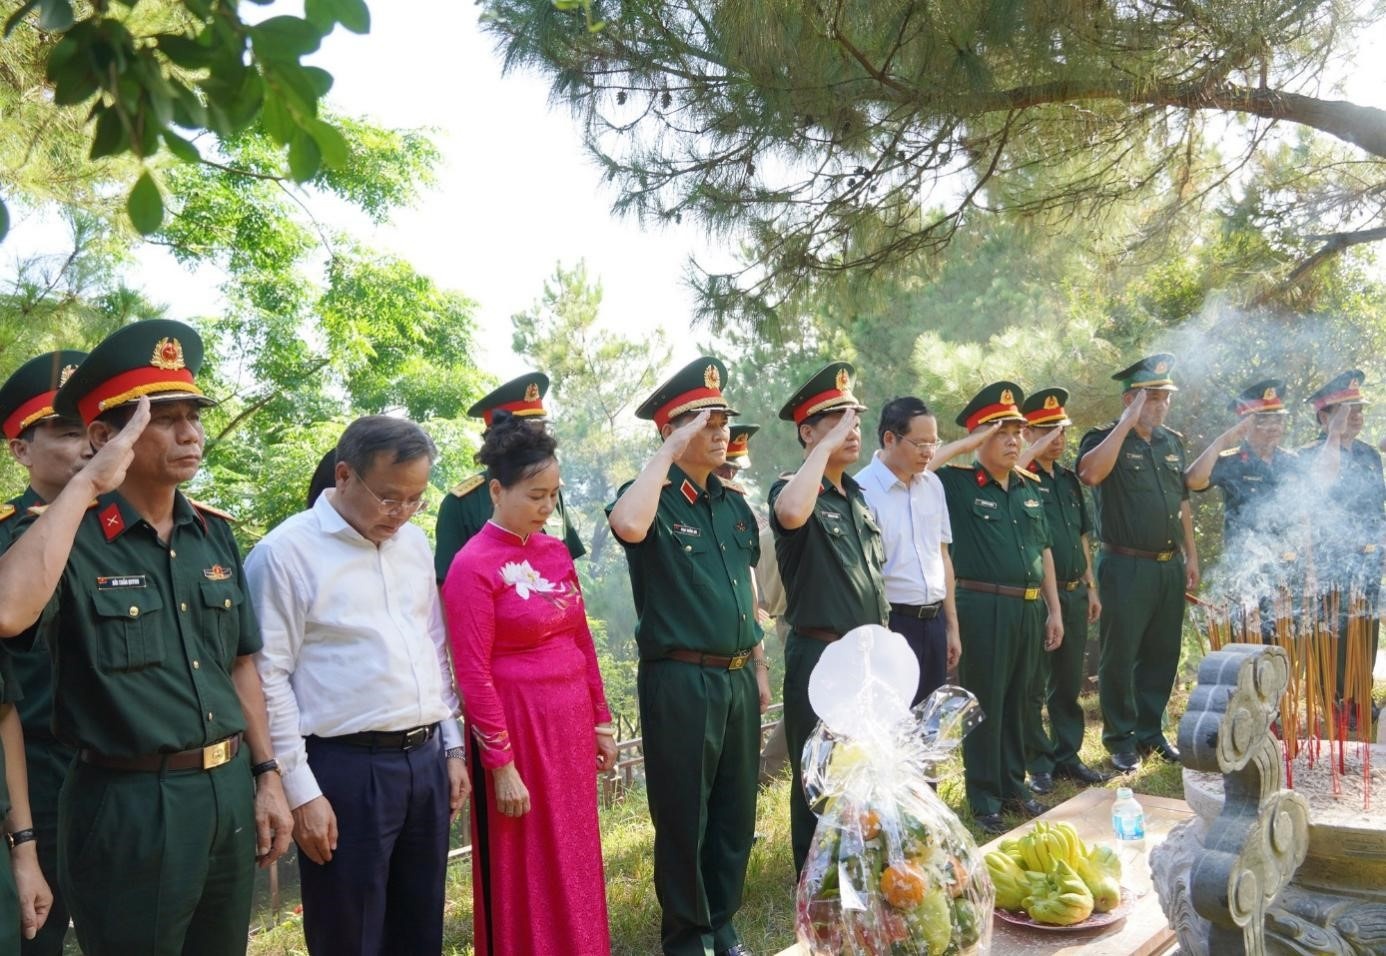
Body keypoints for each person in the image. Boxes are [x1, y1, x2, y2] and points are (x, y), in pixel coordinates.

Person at [0, 319, 294, 956]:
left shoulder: (211, 533)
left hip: (226, 790)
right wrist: (85, 486)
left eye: (194, 415)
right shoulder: (61, 537)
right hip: (127, 802)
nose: (191, 433)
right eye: (164, 418)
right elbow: (7, 612)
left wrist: (268, 774)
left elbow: (241, 664)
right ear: (105, 436)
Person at [246, 415, 469, 955]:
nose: (402, 513)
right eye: (389, 497)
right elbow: (266, 676)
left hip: (424, 760)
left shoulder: (413, 544)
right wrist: (301, 792)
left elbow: (430, 648)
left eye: (415, 498)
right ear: (344, 475)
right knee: (352, 934)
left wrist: (452, 747)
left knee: (420, 929)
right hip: (345, 769)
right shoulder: (284, 554)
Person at [607, 357, 767, 956]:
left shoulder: (730, 504)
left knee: (733, 814)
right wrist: (669, 452)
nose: (720, 429)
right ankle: (686, 936)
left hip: (734, 678)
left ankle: (722, 924)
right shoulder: (649, 495)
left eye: (722, 418)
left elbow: (744, 590)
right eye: (703, 420)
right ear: (670, 430)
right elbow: (627, 525)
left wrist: (758, 667)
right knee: (684, 815)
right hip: (680, 678)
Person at [443, 411, 616, 956]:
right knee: (529, 861)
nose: (547, 509)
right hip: (518, 730)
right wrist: (501, 765)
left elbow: (580, 639)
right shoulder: (472, 566)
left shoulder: (555, 551)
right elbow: (471, 672)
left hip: (567, 724)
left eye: (553, 496)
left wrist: (601, 720)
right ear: (497, 490)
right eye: (535, 496)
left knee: (574, 849)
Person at [768, 362, 888, 874]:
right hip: (820, 654)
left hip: (867, 655)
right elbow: (791, 515)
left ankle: (861, 861)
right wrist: (823, 450)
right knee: (818, 775)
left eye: (854, 420)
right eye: (834, 420)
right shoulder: (791, 489)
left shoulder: (856, 497)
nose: (850, 429)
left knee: (865, 768)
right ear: (807, 432)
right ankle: (818, 880)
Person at [937, 383, 1063, 834]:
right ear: (978, 437)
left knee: (1021, 701)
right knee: (985, 701)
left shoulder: (1029, 488)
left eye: (1018, 432)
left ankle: (1014, 785)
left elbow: (1044, 549)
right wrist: (969, 443)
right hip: (982, 605)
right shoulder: (955, 483)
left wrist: (1055, 609)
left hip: (1029, 609)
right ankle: (985, 795)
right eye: (1002, 432)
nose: (1014, 440)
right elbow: (918, 470)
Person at [1077, 354, 1198, 773]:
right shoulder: (1102, 438)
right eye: (1151, 397)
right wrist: (1127, 422)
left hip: (1167, 565)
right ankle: (1120, 738)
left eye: (1165, 397)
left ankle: (1151, 731)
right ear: (1130, 398)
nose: (1160, 406)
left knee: (1162, 651)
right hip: (1124, 564)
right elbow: (1090, 475)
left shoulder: (1171, 442)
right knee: (1121, 653)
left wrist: (1191, 555)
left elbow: (1181, 500)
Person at [0, 353, 83, 953]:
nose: (86, 446)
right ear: (21, 450)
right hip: (40, 774)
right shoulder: (5, 540)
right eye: (66, 431)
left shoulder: (133, 529)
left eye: (93, 430)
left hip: (130, 772)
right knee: (39, 936)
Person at [1018, 388, 1109, 791]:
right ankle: (1037, 763)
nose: (1057, 439)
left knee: (1068, 683)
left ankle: (1066, 756)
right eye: (1046, 431)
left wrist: (1091, 587)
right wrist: (1029, 450)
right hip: (1036, 597)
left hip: (1073, 591)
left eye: (1061, 431)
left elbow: (1081, 536)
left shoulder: (1069, 481)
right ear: (1026, 433)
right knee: (1033, 684)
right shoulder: (1020, 476)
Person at [854, 397, 961, 705]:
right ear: (890, 438)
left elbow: (942, 556)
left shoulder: (933, 486)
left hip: (934, 620)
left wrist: (952, 627)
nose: (929, 452)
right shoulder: (861, 490)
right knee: (892, 723)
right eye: (920, 443)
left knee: (928, 724)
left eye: (934, 442)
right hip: (892, 623)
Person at [434, 372, 585, 583]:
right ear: (497, 439)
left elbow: (567, 572)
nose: (546, 505)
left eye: (541, 430)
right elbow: (449, 586)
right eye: (526, 432)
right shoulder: (460, 503)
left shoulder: (550, 492)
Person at [1185, 380, 1303, 639]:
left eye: (1278, 420)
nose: (1273, 427)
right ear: (1245, 425)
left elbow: (1305, 517)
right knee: (1249, 651)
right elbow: (1192, 481)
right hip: (1247, 573)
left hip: (1288, 572)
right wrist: (1222, 440)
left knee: (1288, 655)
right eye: (1262, 421)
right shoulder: (1231, 461)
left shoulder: (1293, 462)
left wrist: (1311, 570)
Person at [1302, 370, 1384, 710]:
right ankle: (1332, 699)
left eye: (1360, 410)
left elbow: (1379, 507)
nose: (1356, 417)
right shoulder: (1309, 454)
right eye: (1347, 411)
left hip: (1368, 558)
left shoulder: (1370, 455)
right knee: (1332, 629)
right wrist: (1334, 438)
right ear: (1324, 417)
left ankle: (1358, 696)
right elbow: (1310, 503)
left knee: (1366, 627)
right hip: (1328, 558)